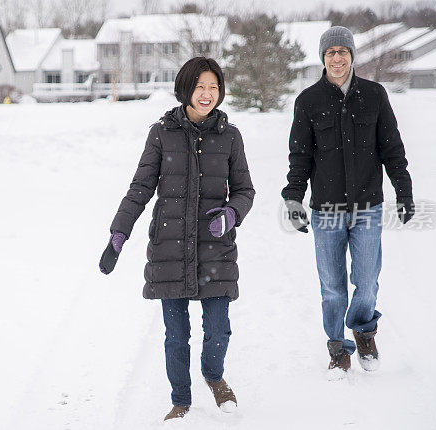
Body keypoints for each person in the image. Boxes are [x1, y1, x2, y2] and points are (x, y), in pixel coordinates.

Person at [99, 57, 255, 420]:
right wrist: (119, 232)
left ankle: (214, 377)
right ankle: (181, 401)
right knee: (175, 336)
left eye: (213, 87)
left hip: (216, 250)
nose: (207, 94)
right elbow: (140, 187)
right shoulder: (161, 133)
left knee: (218, 331)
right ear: (186, 88)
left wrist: (232, 214)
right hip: (170, 248)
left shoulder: (230, 136)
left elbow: (245, 189)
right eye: (200, 86)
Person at [281, 26, 415, 379]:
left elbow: (392, 148)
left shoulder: (374, 95)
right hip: (326, 210)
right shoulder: (308, 102)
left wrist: (404, 191)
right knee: (332, 286)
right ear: (323, 58)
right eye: (330, 52)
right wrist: (293, 197)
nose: (337, 58)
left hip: (367, 205)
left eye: (343, 51)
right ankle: (338, 347)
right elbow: (300, 156)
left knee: (368, 280)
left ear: (352, 56)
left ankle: (363, 330)